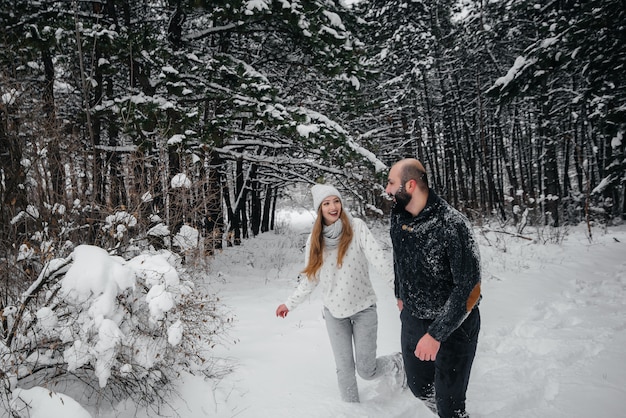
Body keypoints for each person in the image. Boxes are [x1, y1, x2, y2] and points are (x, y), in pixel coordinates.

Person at [276, 183, 403, 403]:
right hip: (335, 313)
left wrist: (399, 292)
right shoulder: (315, 241)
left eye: (336, 201)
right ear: (320, 209)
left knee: (366, 370)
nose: (333, 207)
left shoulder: (357, 227)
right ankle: (350, 411)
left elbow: (379, 260)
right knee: (344, 370)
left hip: (363, 309)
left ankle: (398, 363)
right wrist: (289, 303)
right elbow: (310, 278)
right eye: (326, 203)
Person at [385, 158, 481, 418]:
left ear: (411, 184)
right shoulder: (398, 218)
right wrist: (400, 293)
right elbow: (398, 258)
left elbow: (470, 289)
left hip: (454, 326)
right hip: (414, 317)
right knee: (419, 387)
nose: (387, 189)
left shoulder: (452, 224)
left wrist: (436, 334)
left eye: (392, 183)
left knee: (450, 406)